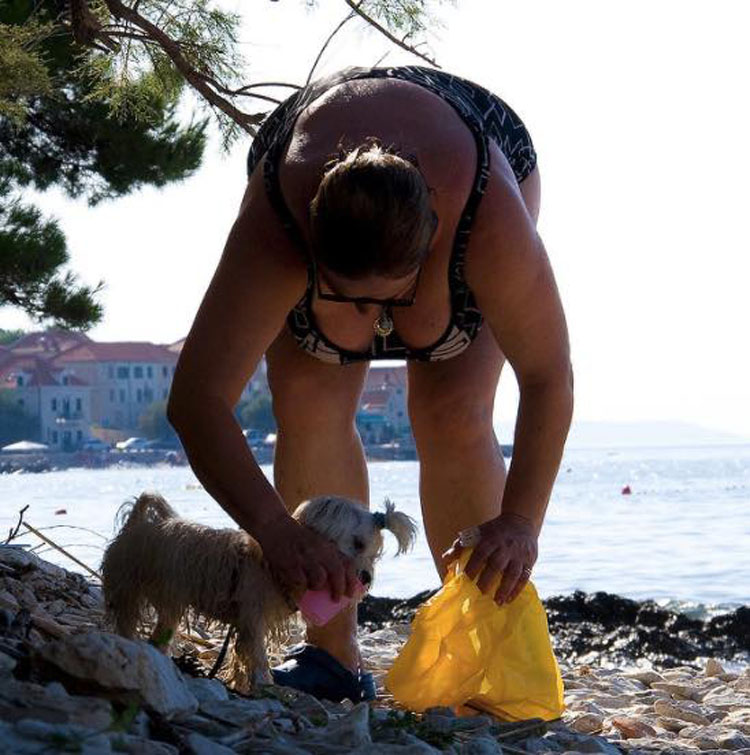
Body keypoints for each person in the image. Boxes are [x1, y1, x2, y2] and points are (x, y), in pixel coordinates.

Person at [168, 65, 574, 702]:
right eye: (347, 300)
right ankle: (333, 655)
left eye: (391, 301)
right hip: (308, 170)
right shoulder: (275, 229)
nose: (374, 318)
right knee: (308, 402)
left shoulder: (487, 221)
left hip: (475, 151)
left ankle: (477, 656)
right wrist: (276, 530)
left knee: (451, 410)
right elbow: (196, 401)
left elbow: (548, 377)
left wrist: (521, 521)